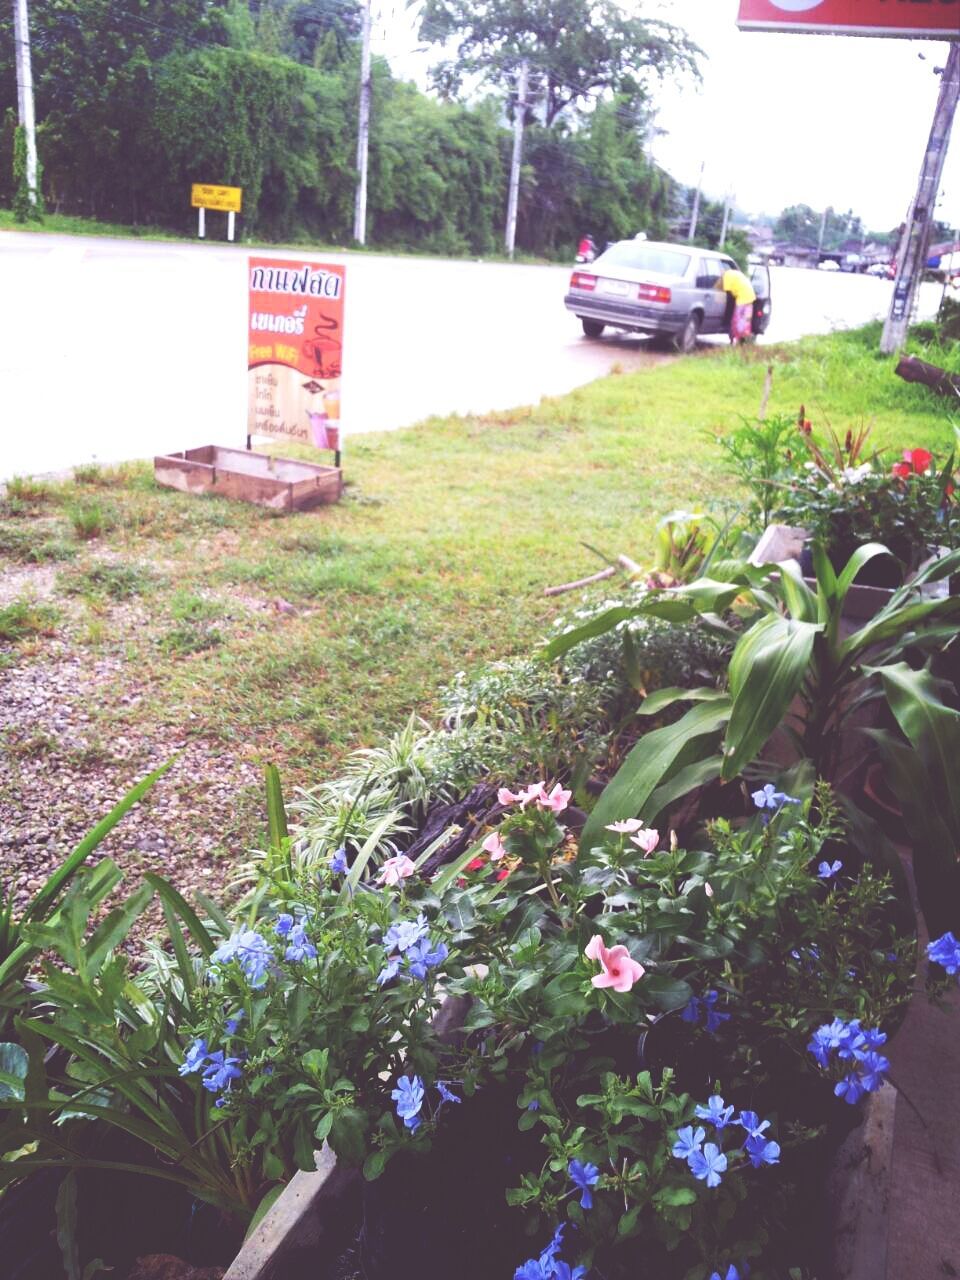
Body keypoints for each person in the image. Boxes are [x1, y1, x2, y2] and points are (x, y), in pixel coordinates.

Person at [721, 265, 757, 345]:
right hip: (751, 297)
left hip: (742, 299)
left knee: (737, 320)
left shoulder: (726, 276)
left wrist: (727, 315)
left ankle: (737, 339)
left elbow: (728, 295)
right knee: (746, 320)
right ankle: (746, 340)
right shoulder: (736, 273)